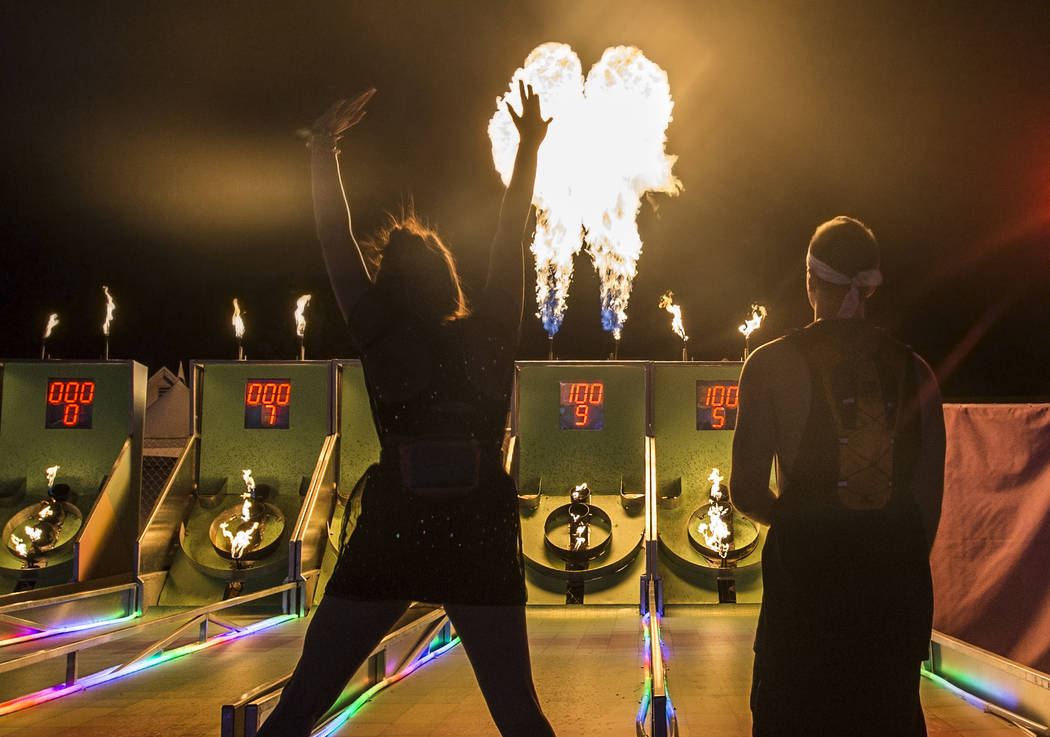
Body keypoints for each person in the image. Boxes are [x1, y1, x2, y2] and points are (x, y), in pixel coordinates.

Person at [256, 82, 556, 737]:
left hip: (395, 528)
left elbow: (333, 239)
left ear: (386, 283)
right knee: (519, 713)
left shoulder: (379, 336)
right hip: (479, 532)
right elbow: (513, 234)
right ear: (448, 277)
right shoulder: (491, 332)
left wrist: (322, 152)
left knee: (300, 705)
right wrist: (528, 147)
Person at [729, 216, 946, 736]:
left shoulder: (770, 364)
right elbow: (927, 507)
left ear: (810, 281)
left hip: (805, 603)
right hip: (893, 605)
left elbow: (744, 490)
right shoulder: (917, 370)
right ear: (869, 285)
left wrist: (799, 519)